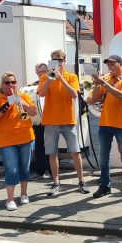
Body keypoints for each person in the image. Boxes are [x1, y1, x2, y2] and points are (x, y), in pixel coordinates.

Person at [85, 55, 122, 203]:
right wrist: (98, 84)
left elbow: (121, 96)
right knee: (103, 157)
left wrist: (104, 83)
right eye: (108, 65)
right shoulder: (107, 81)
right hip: (105, 123)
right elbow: (92, 99)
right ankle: (105, 186)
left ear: (120, 64)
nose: (109, 67)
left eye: (112, 64)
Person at [37, 50, 88, 196]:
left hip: (67, 120)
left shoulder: (71, 76)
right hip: (50, 121)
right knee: (52, 153)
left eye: (60, 60)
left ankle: (81, 181)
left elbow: (74, 94)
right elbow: (41, 93)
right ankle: (56, 182)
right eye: (54, 60)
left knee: (75, 152)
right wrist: (50, 78)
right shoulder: (45, 77)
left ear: (64, 62)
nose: (57, 62)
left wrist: (61, 78)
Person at [0, 72, 37, 211]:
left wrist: (22, 103)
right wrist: (6, 104)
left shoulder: (24, 96)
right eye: (7, 83)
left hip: (26, 137)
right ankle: (10, 199)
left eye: (13, 82)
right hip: (7, 140)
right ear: (2, 85)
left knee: (25, 168)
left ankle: (23, 194)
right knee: (11, 169)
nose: (11, 85)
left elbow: (33, 112)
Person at [30, 63, 50, 180]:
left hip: (50, 118)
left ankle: (51, 170)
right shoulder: (33, 86)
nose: (41, 74)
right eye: (39, 72)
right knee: (39, 145)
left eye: (43, 71)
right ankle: (40, 171)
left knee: (50, 145)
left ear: (47, 71)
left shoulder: (51, 82)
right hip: (38, 120)